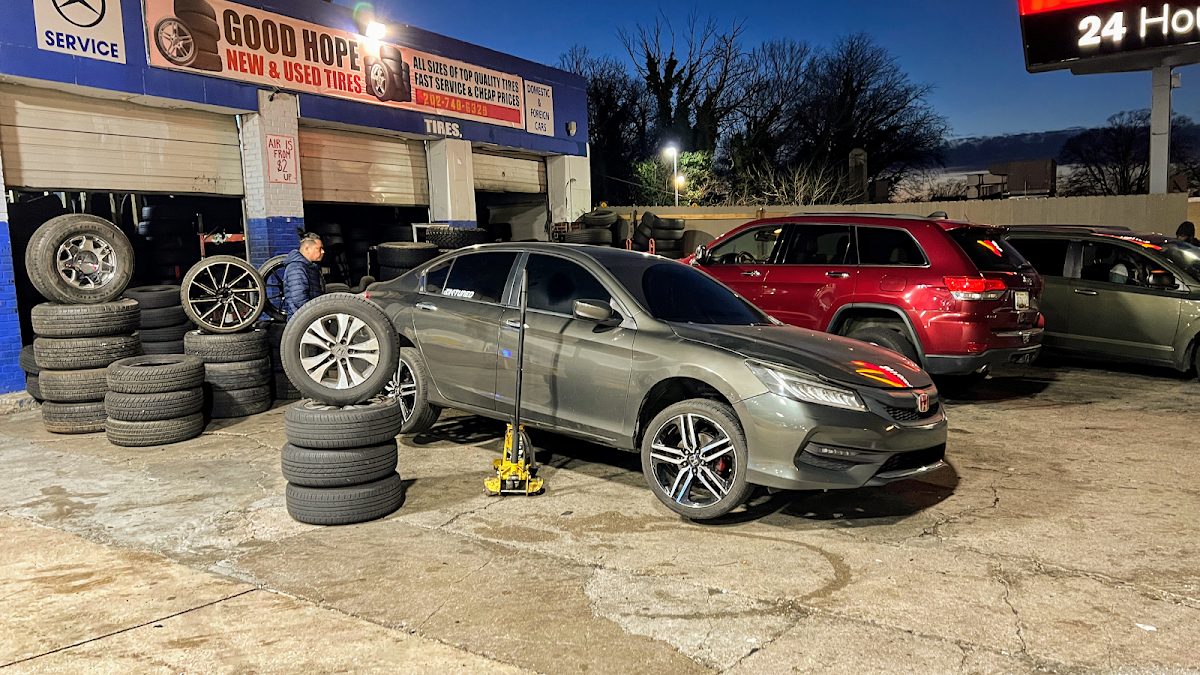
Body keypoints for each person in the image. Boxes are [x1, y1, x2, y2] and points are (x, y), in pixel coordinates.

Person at [284, 235, 325, 320]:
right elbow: (299, 298)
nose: (323, 251)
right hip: (302, 321)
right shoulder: (296, 268)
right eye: (319, 248)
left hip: (308, 319)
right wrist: (315, 314)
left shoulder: (309, 267)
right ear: (307, 249)